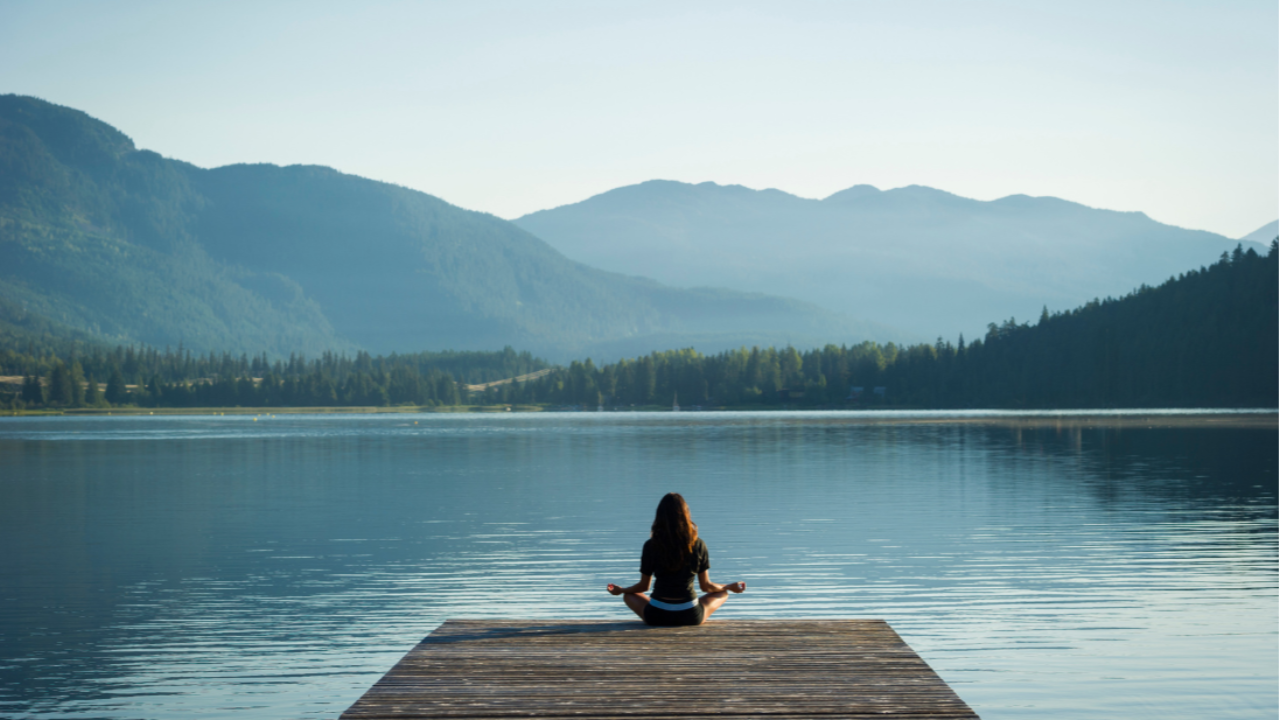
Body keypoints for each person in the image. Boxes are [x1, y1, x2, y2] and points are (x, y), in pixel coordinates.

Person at [607, 492, 745, 626]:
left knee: (629, 595)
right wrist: (729, 587)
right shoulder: (698, 544)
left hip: (656, 615)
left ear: (659, 517)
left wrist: (621, 590)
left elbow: (644, 586)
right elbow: (706, 586)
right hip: (690, 615)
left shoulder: (651, 545)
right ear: (685, 515)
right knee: (723, 593)